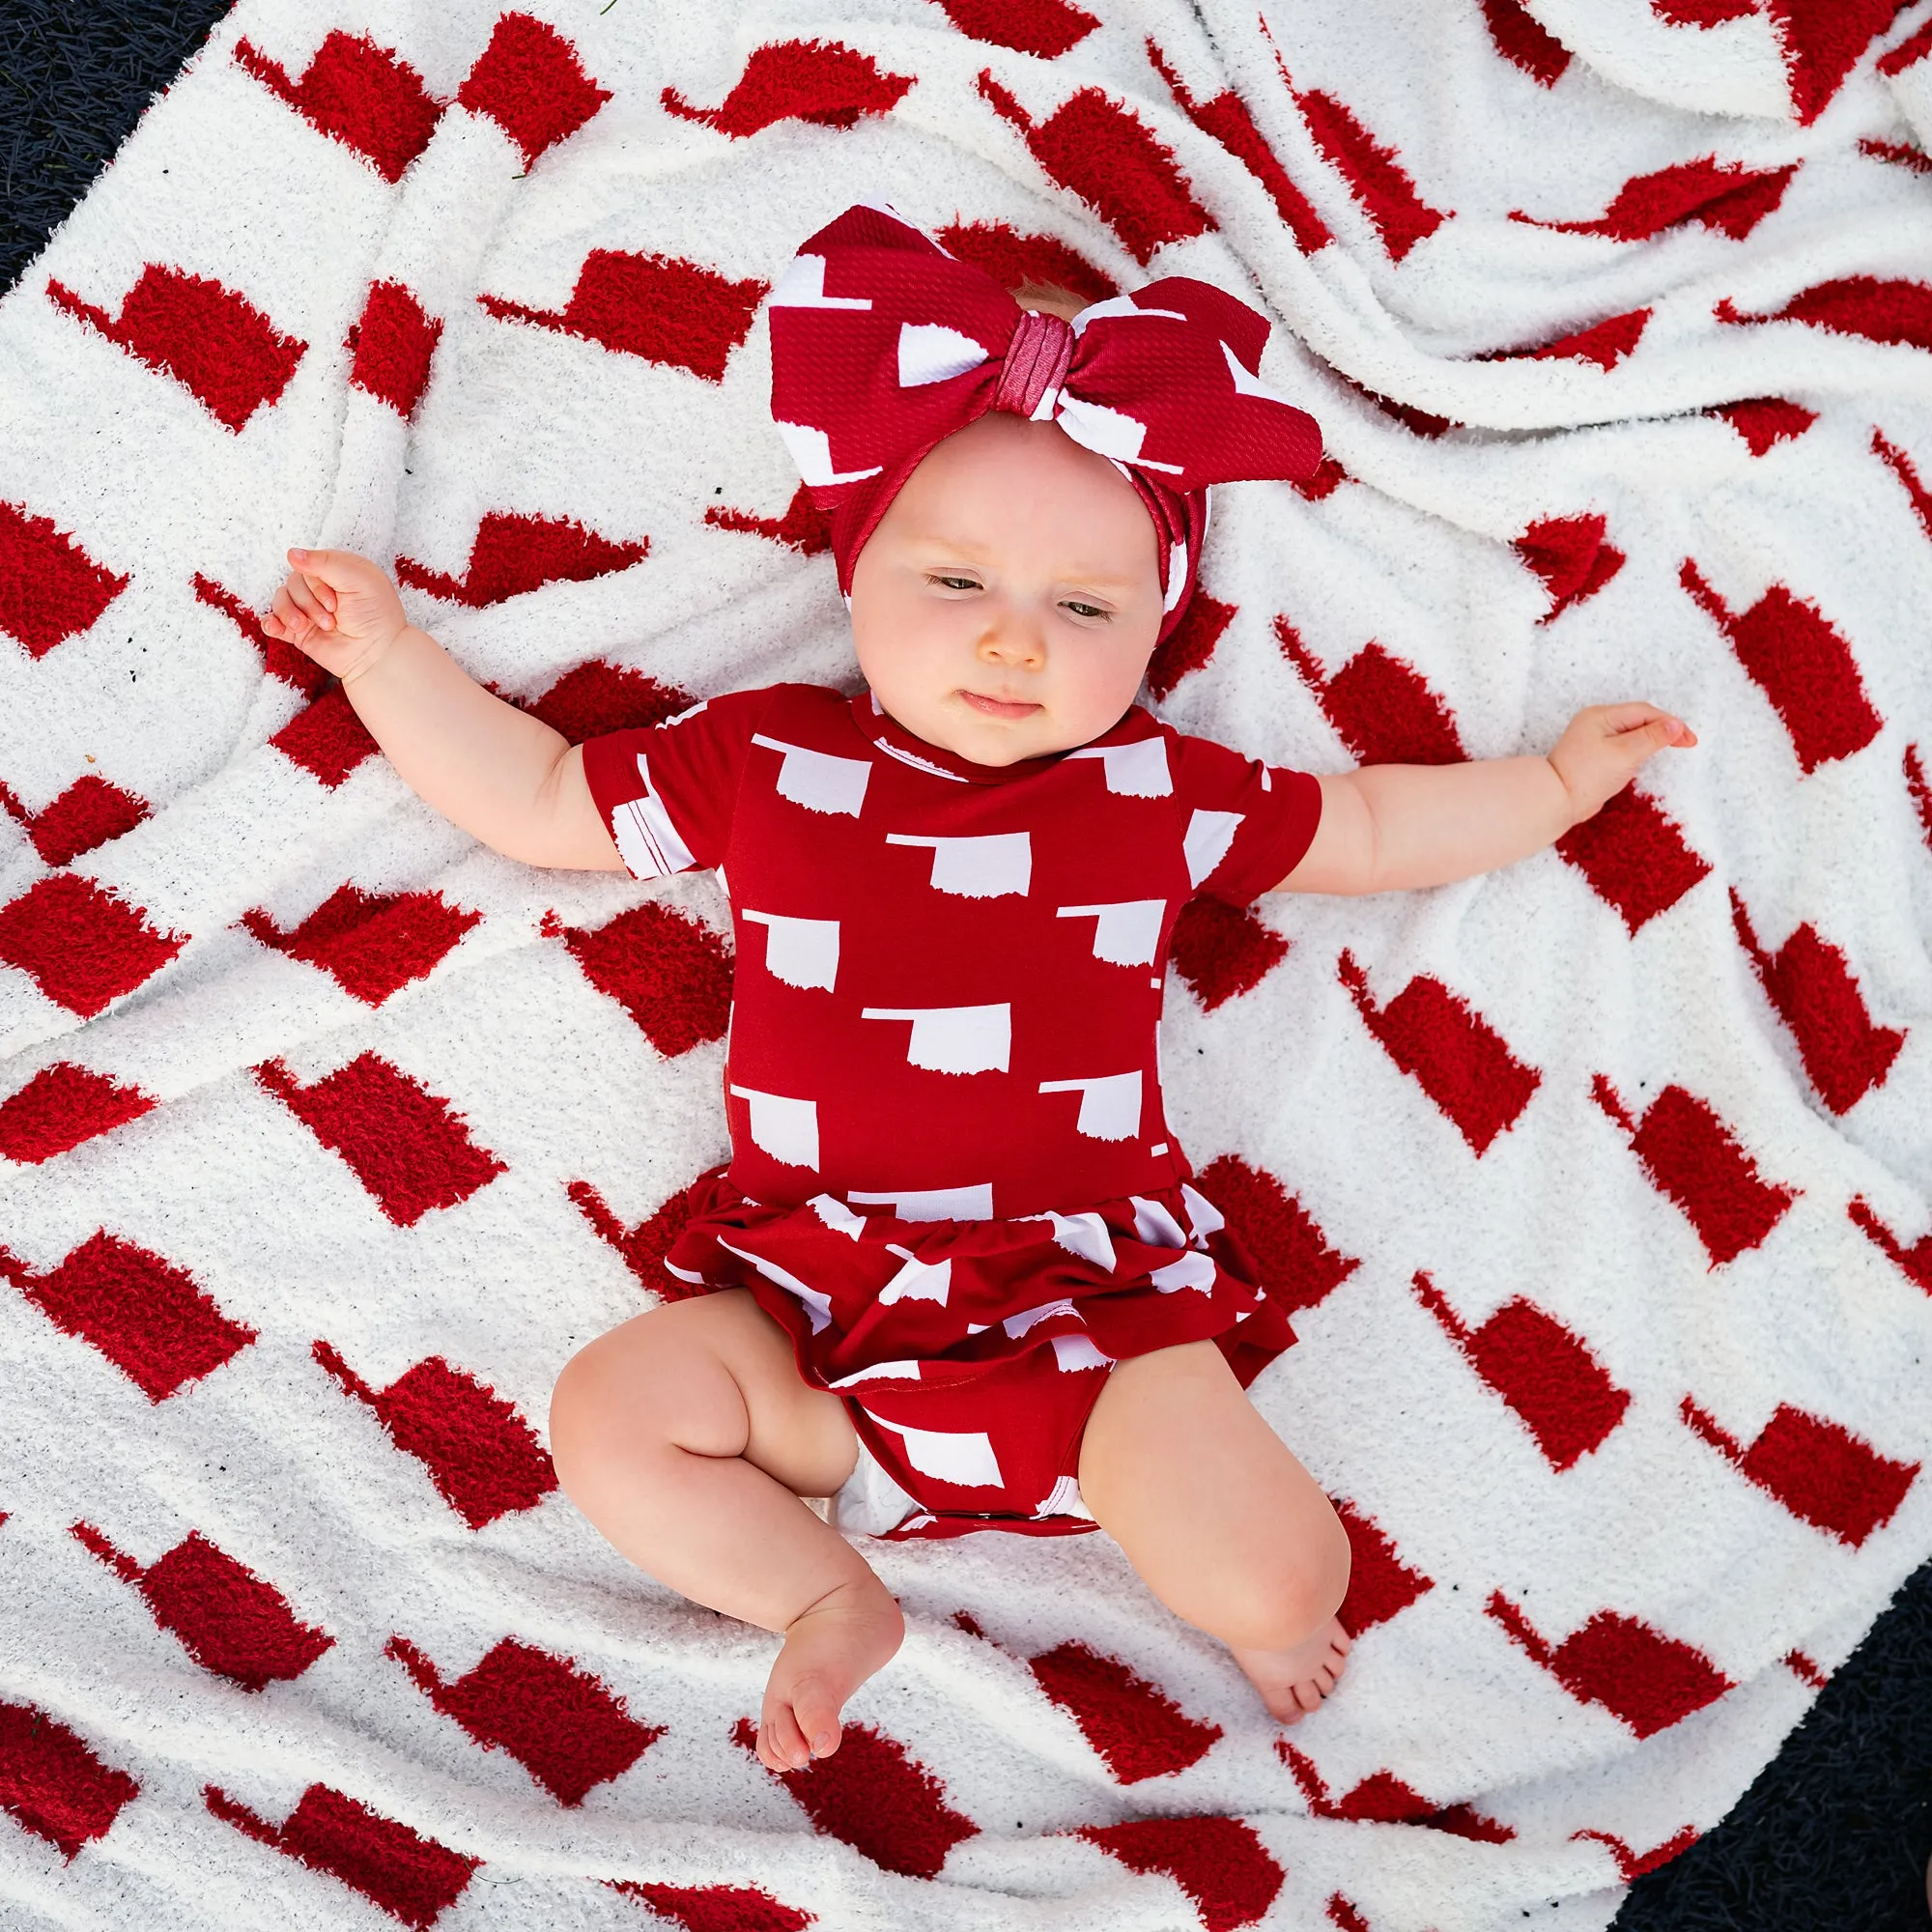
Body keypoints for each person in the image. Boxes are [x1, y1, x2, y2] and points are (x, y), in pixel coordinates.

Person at [261, 204, 1696, 1778]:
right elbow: (538, 797)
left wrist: (1550, 790)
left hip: (1090, 1334)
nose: (1015, 642)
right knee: (613, 1411)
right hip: (821, 1335)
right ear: (859, 571)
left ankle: (1257, 1604)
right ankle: (827, 1595)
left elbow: (1360, 830)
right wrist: (389, 661)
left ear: (1156, 630)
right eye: (956, 582)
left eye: (1084, 610)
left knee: (1282, 1575)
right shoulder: (771, 763)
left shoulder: (1153, 788)